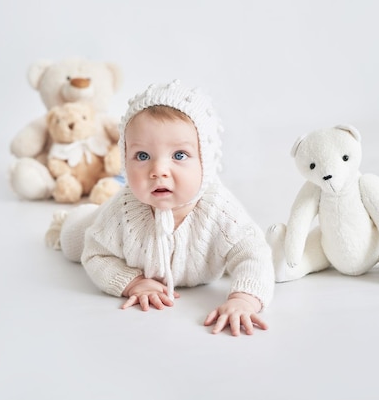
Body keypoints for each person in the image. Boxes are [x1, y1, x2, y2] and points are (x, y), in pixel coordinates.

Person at [45, 79, 274, 336]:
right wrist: (132, 282)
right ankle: (68, 219)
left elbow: (254, 254)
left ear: (205, 160)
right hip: (88, 224)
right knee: (72, 239)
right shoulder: (122, 209)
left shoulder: (219, 208)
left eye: (179, 155)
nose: (158, 171)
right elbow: (95, 254)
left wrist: (244, 299)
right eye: (142, 156)